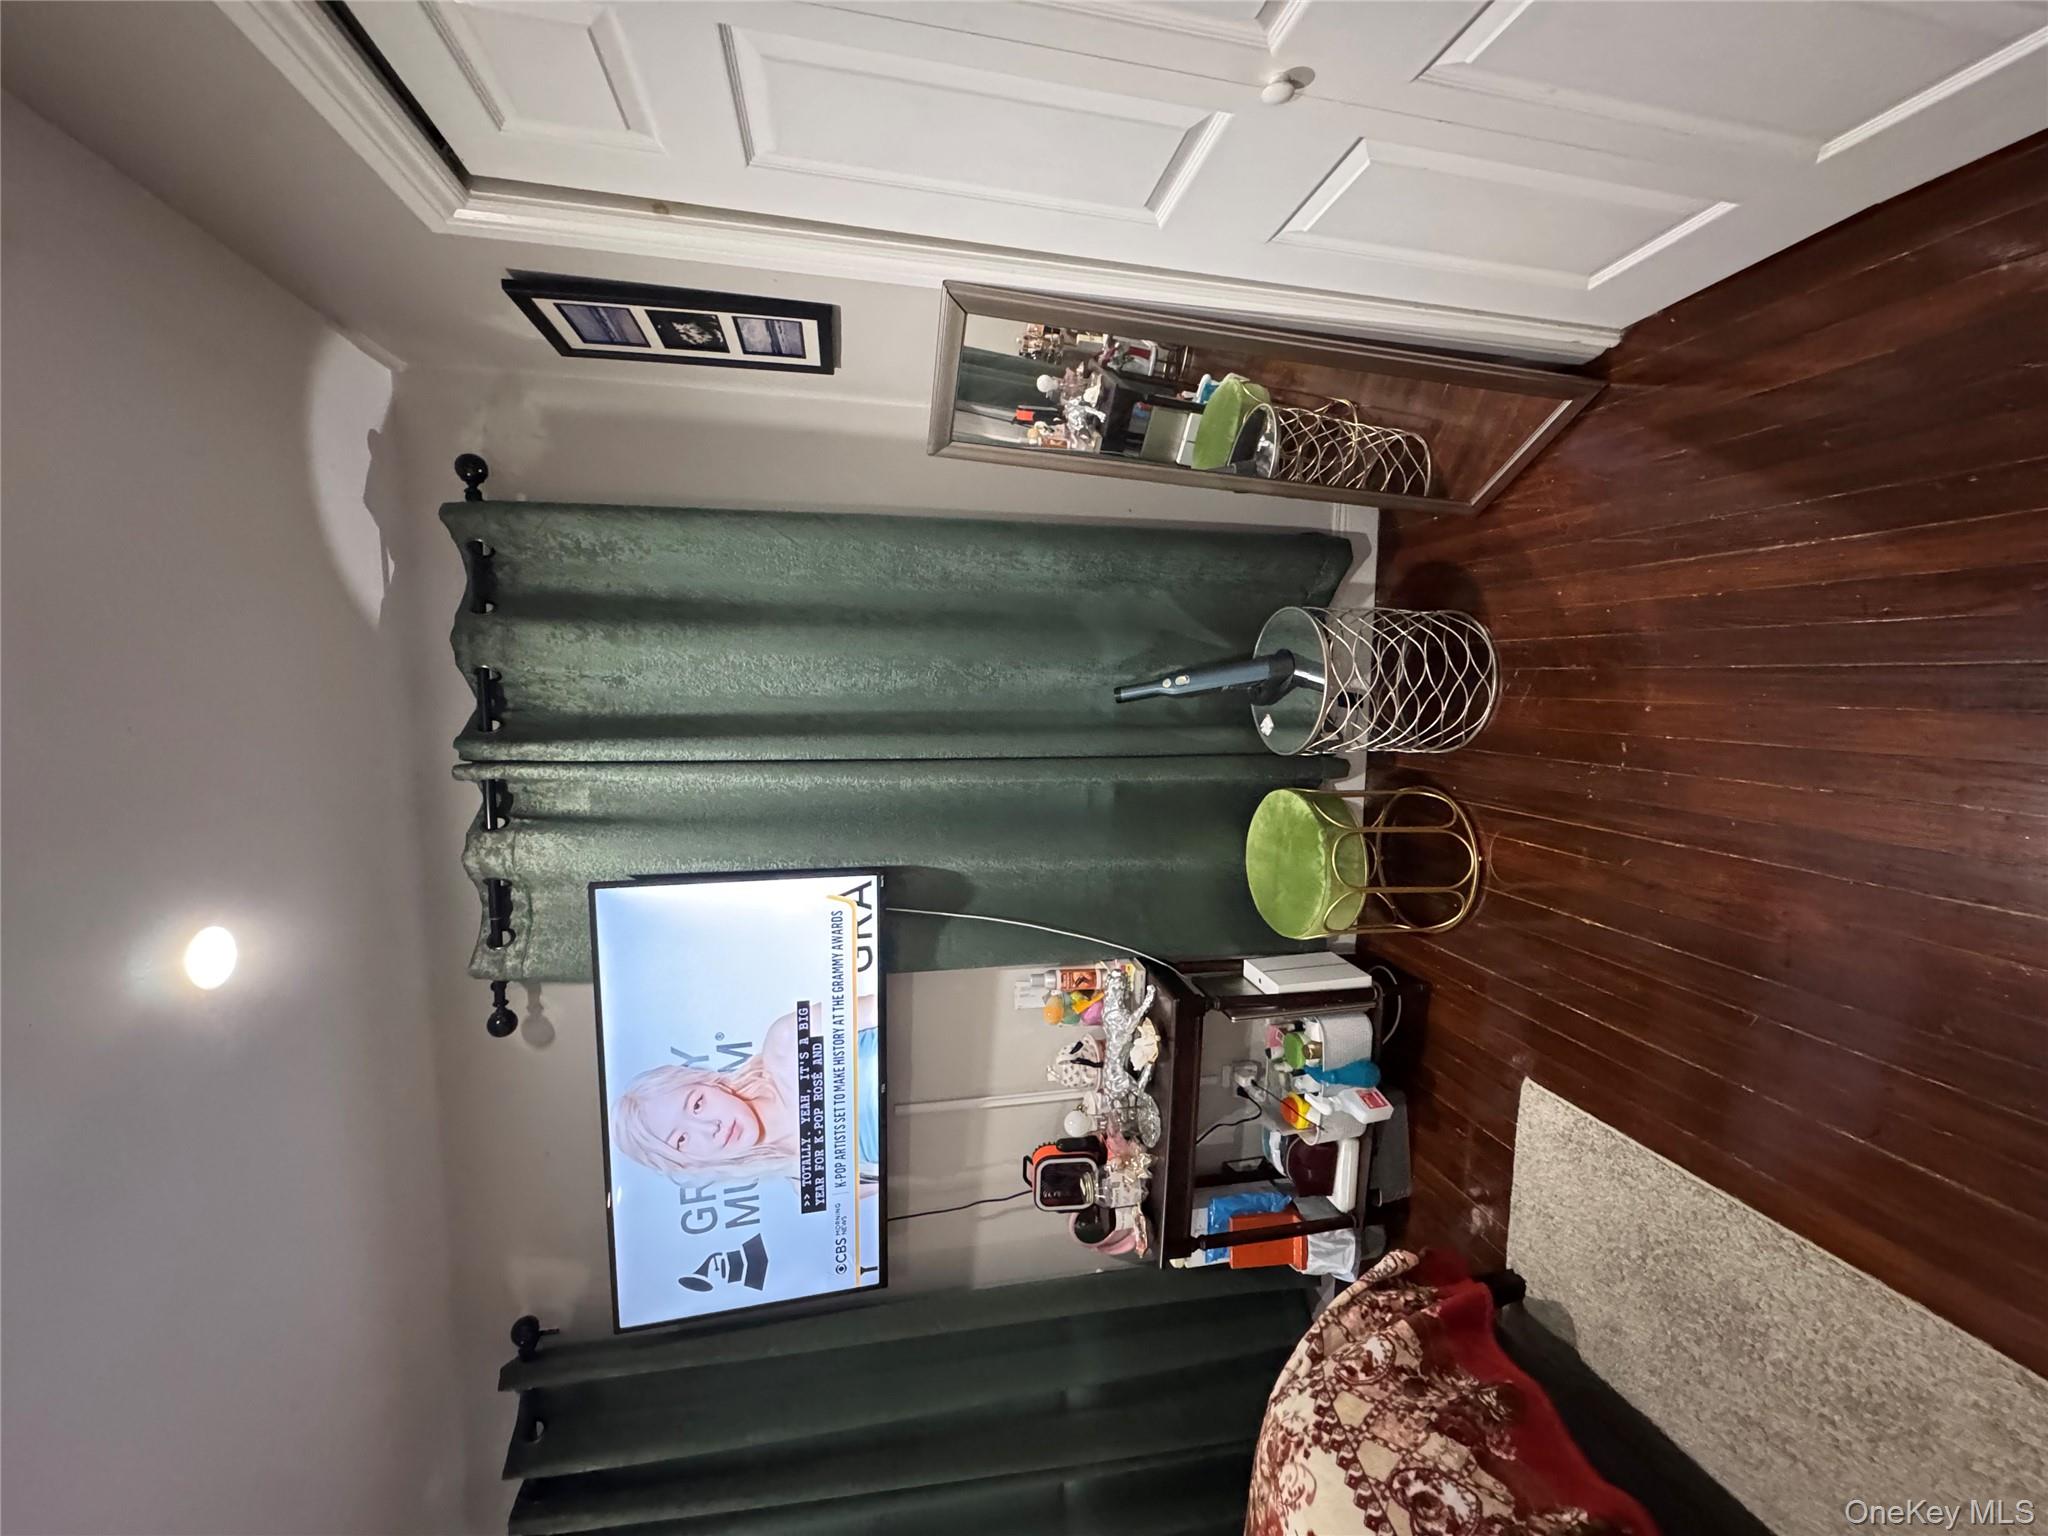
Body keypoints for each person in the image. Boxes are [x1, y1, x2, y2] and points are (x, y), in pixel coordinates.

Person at [613, 998, 879, 1191]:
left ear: (711, 1084)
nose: (710, 1127)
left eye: (697, 1104)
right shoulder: (807, 1183)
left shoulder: (788, 1042)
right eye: (681, 1139)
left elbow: (898, 1002)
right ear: (686, 1164)